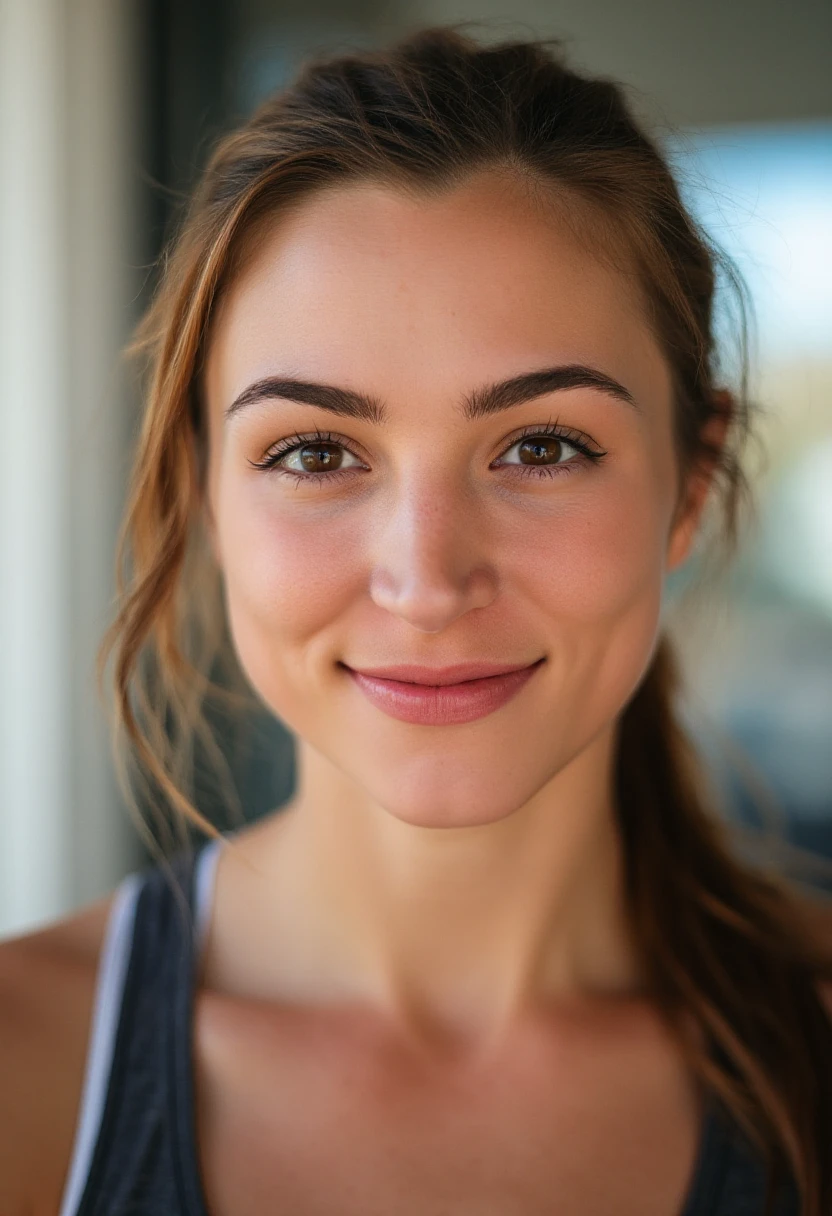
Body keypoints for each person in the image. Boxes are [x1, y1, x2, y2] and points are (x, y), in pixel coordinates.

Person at [1, 25, 830, 1216]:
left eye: (542, 446)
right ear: (204, 498)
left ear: (688, 485)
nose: (427, 578)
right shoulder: (25, 1076)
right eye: (315, 451)